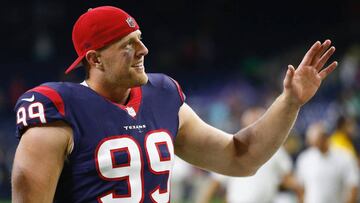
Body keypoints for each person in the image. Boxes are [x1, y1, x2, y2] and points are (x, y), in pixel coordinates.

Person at [11, 6, 337, 203]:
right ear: (94, 59)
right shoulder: (58, 109)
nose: (143, 50)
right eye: (128, 44)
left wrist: (290, 102)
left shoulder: (162, 95)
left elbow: (242, 158)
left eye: (139, 38)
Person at [199, 107, 301, 203]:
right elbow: (215, 183)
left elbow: (289, 180)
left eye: (257, 123)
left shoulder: (276, 150)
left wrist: (299, 190)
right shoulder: (233, 147)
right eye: (250, 124)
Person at [296, 122, 359, 203]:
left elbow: (353, 185)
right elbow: (300, 188)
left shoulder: (344, 156)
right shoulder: (304, 159)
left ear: (325, 137)